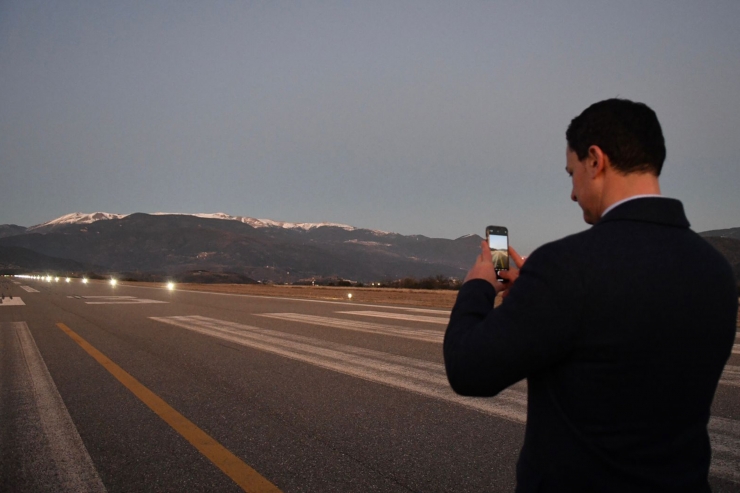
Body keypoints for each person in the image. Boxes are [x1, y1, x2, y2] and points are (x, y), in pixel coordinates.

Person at [444, 99, 738, 492]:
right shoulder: (716, 269)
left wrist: (479, 284)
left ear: (595, 160)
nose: (572, 193)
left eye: (571, 173)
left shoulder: (567, 265)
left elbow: (469, 370)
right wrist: (531, 299)